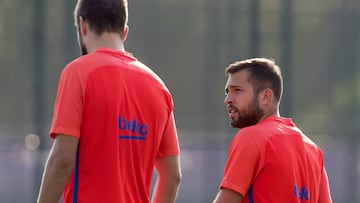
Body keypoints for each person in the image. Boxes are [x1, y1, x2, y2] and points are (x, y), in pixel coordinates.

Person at [37, 0, 181, 202]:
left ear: (83, 25)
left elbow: (62, 160)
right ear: (124, 32)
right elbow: (172, 176)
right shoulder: (159, 88)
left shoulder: (78, 73)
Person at [213, 58, 332, 203]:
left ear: (265, 97)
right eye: (227, 92)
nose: (228, 99)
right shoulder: (314, 152)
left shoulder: (251, 137)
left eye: (237, 90)